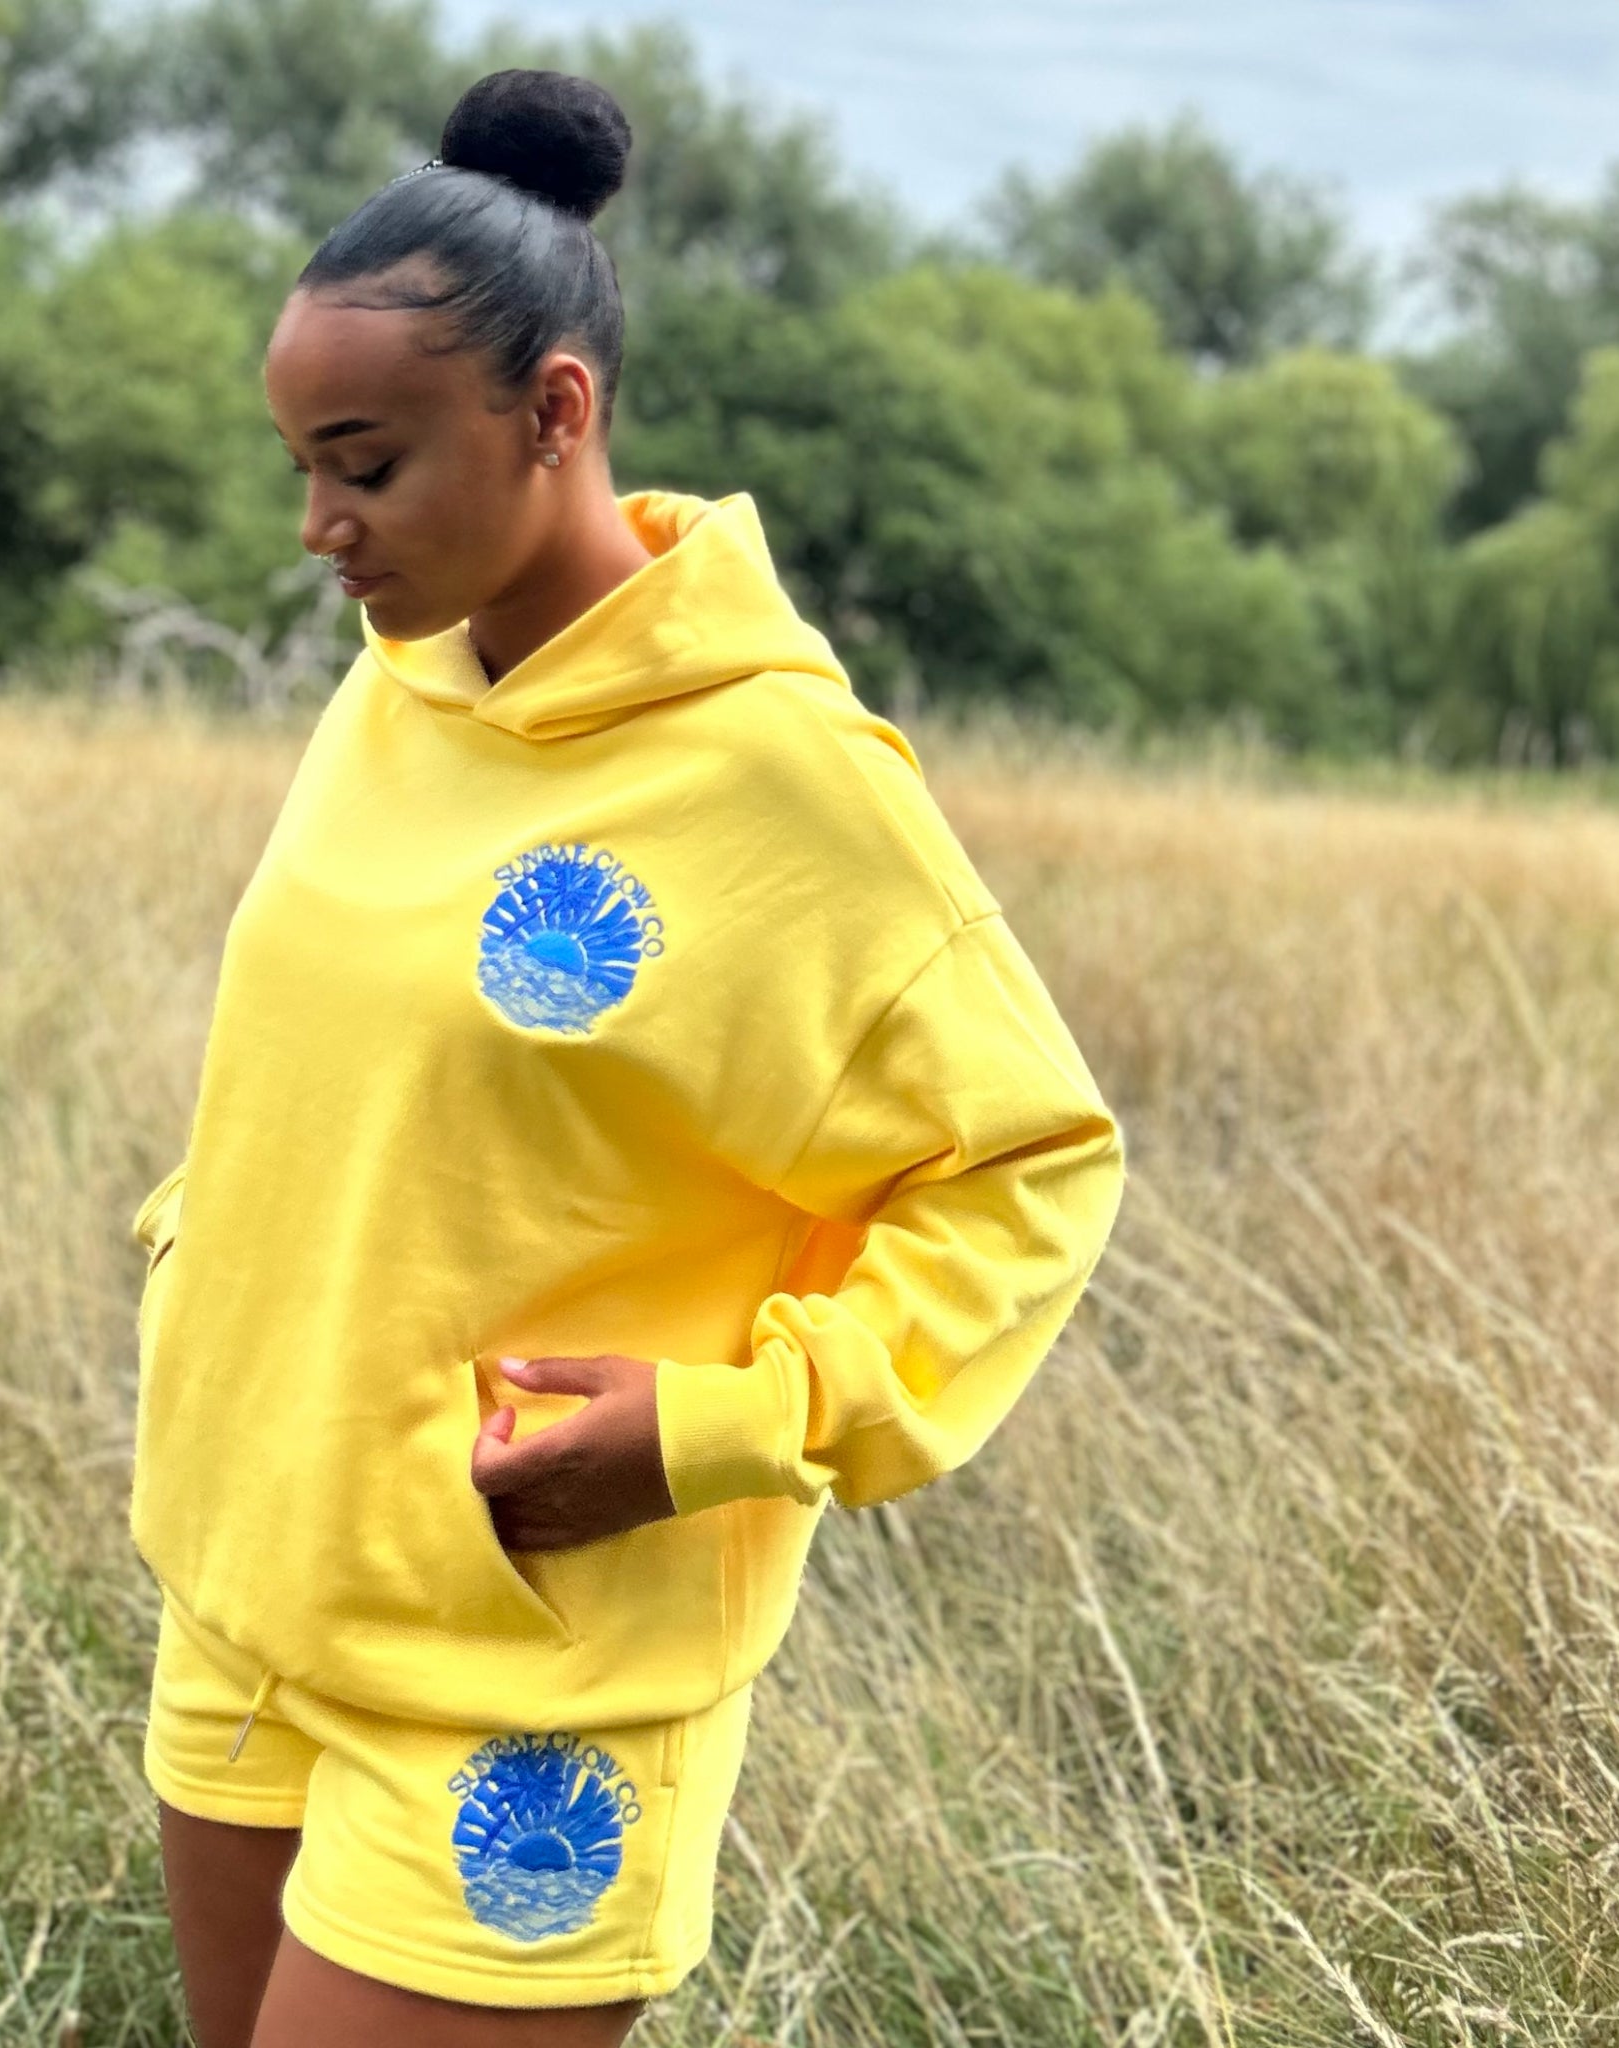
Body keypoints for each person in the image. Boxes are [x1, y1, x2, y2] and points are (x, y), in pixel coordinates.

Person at [127, 64, 1128, 2048]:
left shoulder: (780, 774)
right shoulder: (396, 686)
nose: (319, 528)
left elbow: (1033, 1166)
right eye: (301, 466)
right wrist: (203, 1256)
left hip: (534, 1672)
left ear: (556, 412)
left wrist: (724, 1424)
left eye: (366, 464)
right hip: (249, 1592)